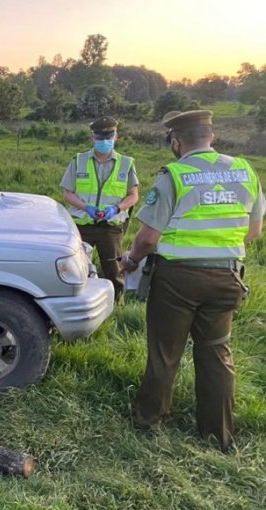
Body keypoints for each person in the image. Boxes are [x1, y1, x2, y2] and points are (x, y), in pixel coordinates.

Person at [119, 110, 264, 451]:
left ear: (176, 142)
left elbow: (148, 238)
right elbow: (254, 231)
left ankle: (149, 422)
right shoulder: (244, 170)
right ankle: (218, 435)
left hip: (177, 281)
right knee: (217, 353)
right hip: (227, 277)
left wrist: (131, 260)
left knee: (165, 352)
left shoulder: (175, 174)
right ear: (210, 138)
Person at [61, 116, 140, 301]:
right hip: (82, 225)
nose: (104, 141)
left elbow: (133, 195)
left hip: (110, 226)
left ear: (116, 137)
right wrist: (86, 207)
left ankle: (115, 305)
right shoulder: (78, 160)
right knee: (76, 269)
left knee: (114, 271)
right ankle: (78, 302)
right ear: (92, 138)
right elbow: (67, 193)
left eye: (108, 137)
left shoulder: (126, 163)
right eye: (100, 138)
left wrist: (116, 208)